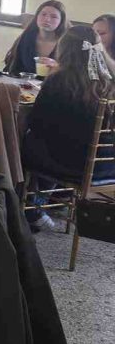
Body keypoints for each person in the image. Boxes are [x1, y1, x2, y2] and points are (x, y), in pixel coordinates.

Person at [22, 25, 115, 228]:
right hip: (106, 167)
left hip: (72, 166)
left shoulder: (59, 80)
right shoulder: (110, 81)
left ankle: (29, 207)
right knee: (55, 144)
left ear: (64, 49)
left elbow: (37, 124)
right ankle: (41, 204)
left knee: (24, 143)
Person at [4, 0, 68, 76]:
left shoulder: (67, 44)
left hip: (54, 86)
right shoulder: (26, 38)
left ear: (61, 21)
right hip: (24, 84)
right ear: (37, 17)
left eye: (54, 17)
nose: (47, 19)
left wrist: (57, 67)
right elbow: (11, 67)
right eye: (43, 14)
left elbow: (73, 75)